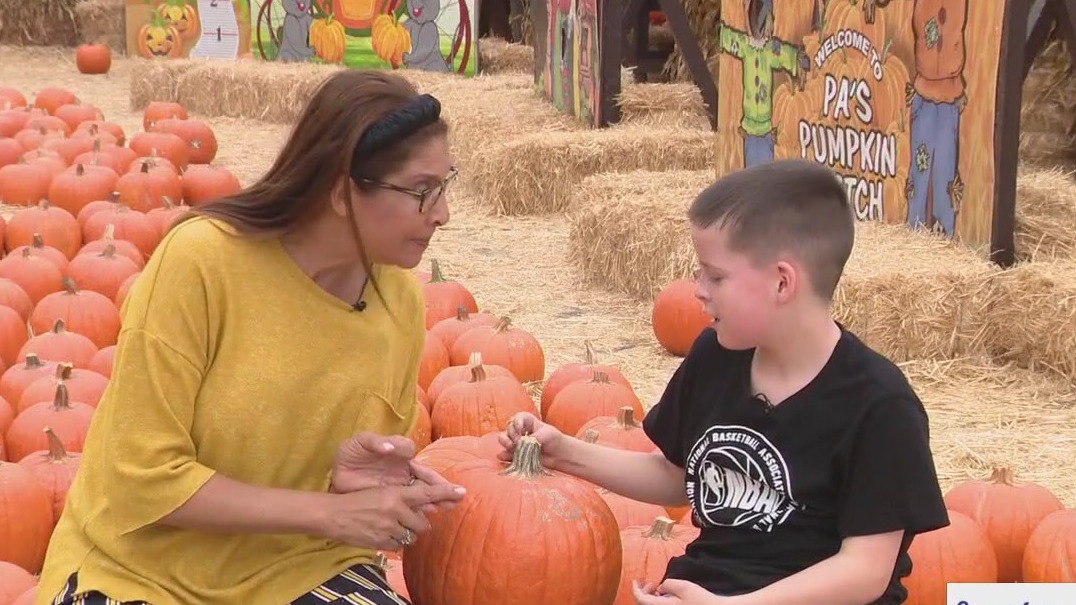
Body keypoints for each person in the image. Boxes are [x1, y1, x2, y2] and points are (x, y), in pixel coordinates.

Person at [34, 70, 467, 605]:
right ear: (340, 191)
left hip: (297, 567)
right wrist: (331, 511)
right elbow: (139, 479)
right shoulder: (202, 262)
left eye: (445, 185)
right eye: (422, 191)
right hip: (140, 571)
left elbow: (330, 486)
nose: (442, 214)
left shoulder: (400, 301)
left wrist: (360, 485)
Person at [501, 159, 951, 605]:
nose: (698, 288)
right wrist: (564, 451)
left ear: (781, 283)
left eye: (715, 275)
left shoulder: (878, 405)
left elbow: (865, 570)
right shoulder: (714, 358)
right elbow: (678, 478)